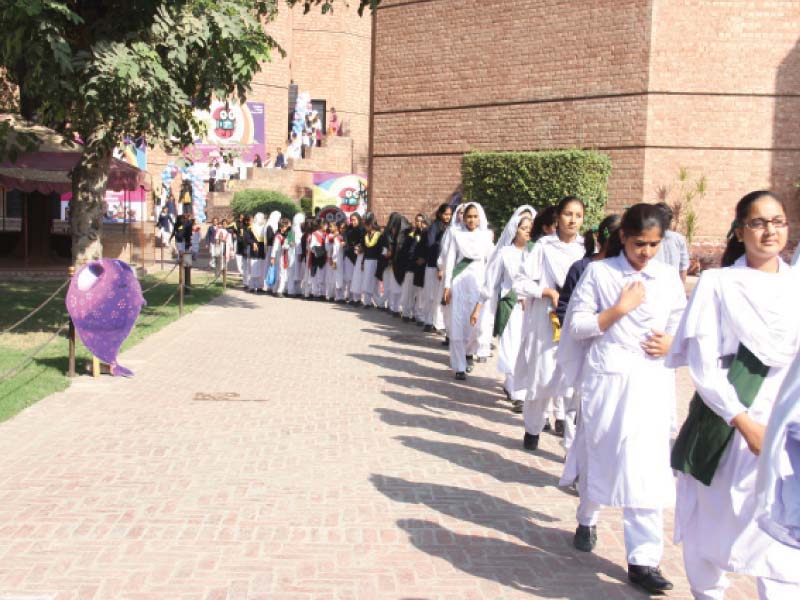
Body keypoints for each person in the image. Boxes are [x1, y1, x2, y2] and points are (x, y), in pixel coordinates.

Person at [668, 190, 800, 599]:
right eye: (758, 223)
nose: (769, 231)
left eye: (778, 222)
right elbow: (705, 366)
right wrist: (744, 423)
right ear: (740, 231)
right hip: (731, 423)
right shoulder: (718, 283)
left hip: (787, 428)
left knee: (781, 541)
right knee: (714, 526)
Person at [559, 203, 686, 595]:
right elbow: (577, 325)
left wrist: (672, 342)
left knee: (646, 471)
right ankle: (587, 516)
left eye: (654, 244)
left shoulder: (667, 277)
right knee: (599, 457)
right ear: (623, 239)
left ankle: (643, 560)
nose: (646, 253)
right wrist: (617, 310)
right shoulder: (600, 273)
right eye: (638, 244)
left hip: (649, 382)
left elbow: (681, 322)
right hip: (609, 381)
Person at [512, 197, 586, 447]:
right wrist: (547, 292)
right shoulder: (543, 247)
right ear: (558, 217)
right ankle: (533, 427)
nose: (572, 220)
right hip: (546, 317)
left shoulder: (586, 250)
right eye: (568, 214)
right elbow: (520, 282)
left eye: (578, 215)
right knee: (542, 373)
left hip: (574, 319)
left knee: (571, 374)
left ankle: (565, 423)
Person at [554, 214, 622, 450]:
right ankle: (572, 453)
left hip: (610, 352)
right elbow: (566, 305)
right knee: (577, 400)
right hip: (581, 343)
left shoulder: (626, 275)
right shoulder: (585, 268)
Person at [471, 207, 534, 401]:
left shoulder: (537, 252)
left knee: (529, 349)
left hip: (532, 307)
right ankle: (517, 393)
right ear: (515, 230)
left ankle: (516, 386)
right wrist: (478, 307)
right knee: (512, 347)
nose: (527, 231)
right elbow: (490, 283)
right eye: (524, 228)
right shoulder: (505, 253)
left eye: (530, 228)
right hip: (511, 307)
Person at [441, 202, 494, 380]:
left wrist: (490, 286)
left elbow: (491, 263)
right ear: (464, 218)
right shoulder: (456, 235)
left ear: (480, 218)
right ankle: (459, 366)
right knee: (458, 323)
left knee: (476, 326)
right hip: (460, 283)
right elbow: (450, 261)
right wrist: (447, 285)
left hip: (479, 283)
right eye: (468, 217)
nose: (471, 220)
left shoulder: (486, 237)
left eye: (475, 216)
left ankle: (469, 352)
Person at [422, 204, 453, 333]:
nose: (447, 217)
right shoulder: (435, 227)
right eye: (445, 214)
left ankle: (438, 323)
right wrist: (442, 243)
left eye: (449, 214)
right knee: (430, 295)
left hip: (444, 267)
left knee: (440, 296)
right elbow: (430, 243)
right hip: (433, 265)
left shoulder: (451, 227)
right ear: (440, 214)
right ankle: (428, 321)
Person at [654, 201, 690, 283]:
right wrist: (681, 287)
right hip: (673, 282)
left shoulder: (648, 238)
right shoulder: (679, 238)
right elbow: (684, 267)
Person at [360, 212, 386, 308]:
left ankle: (379, 303)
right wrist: (363, 262)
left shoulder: (379, 235)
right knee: (367, 281)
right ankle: (367, 301)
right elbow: (365, 250)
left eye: (367, 225)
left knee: (374, 282)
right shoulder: (366, 236)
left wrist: (380, 263)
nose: (365, 227)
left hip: (376, 261)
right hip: (367, 261)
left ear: (371, 224)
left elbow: (381, 250)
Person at [344, 213, 364, 303]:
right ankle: (351, 297)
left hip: (358, 255)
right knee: (350, 277)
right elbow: (346, 241)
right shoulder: (349, 229)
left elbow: (363, 241)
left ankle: (358, 298)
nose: (353, 222)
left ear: (359, 220)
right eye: (351, 220)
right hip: (349, 254)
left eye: (354, 220)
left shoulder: (362, 229)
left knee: (357, 277)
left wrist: (359, 247)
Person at [246, 212, 268, 294]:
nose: (263, 220)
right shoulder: (251, 228)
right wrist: (253, 243)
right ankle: (252, 286)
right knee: (253, 269)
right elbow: (247, 238)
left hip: (262, 251)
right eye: (261, 218)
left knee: (261, 269)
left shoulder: (264, 228)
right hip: (254, 251)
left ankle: (260, 287)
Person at [270, 218, 291, 298]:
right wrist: (272, 257)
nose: (286, 228)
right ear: (281, 227)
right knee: (282, 274)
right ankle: (279, 290)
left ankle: (276, 289)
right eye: (285, 227)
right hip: (281, 256)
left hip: (282, 256)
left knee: (280, 273)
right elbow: (274, 248)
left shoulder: (285, 235)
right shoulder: (278, 236)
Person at [287, 213, 305, 297]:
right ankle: (291, 290)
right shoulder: (291, 230)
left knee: (298, 273)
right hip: (293, 254)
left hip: (298, 254)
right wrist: (292, 243)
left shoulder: (301, 230)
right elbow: (289, 243)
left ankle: (298, 290)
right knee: (292, 272)